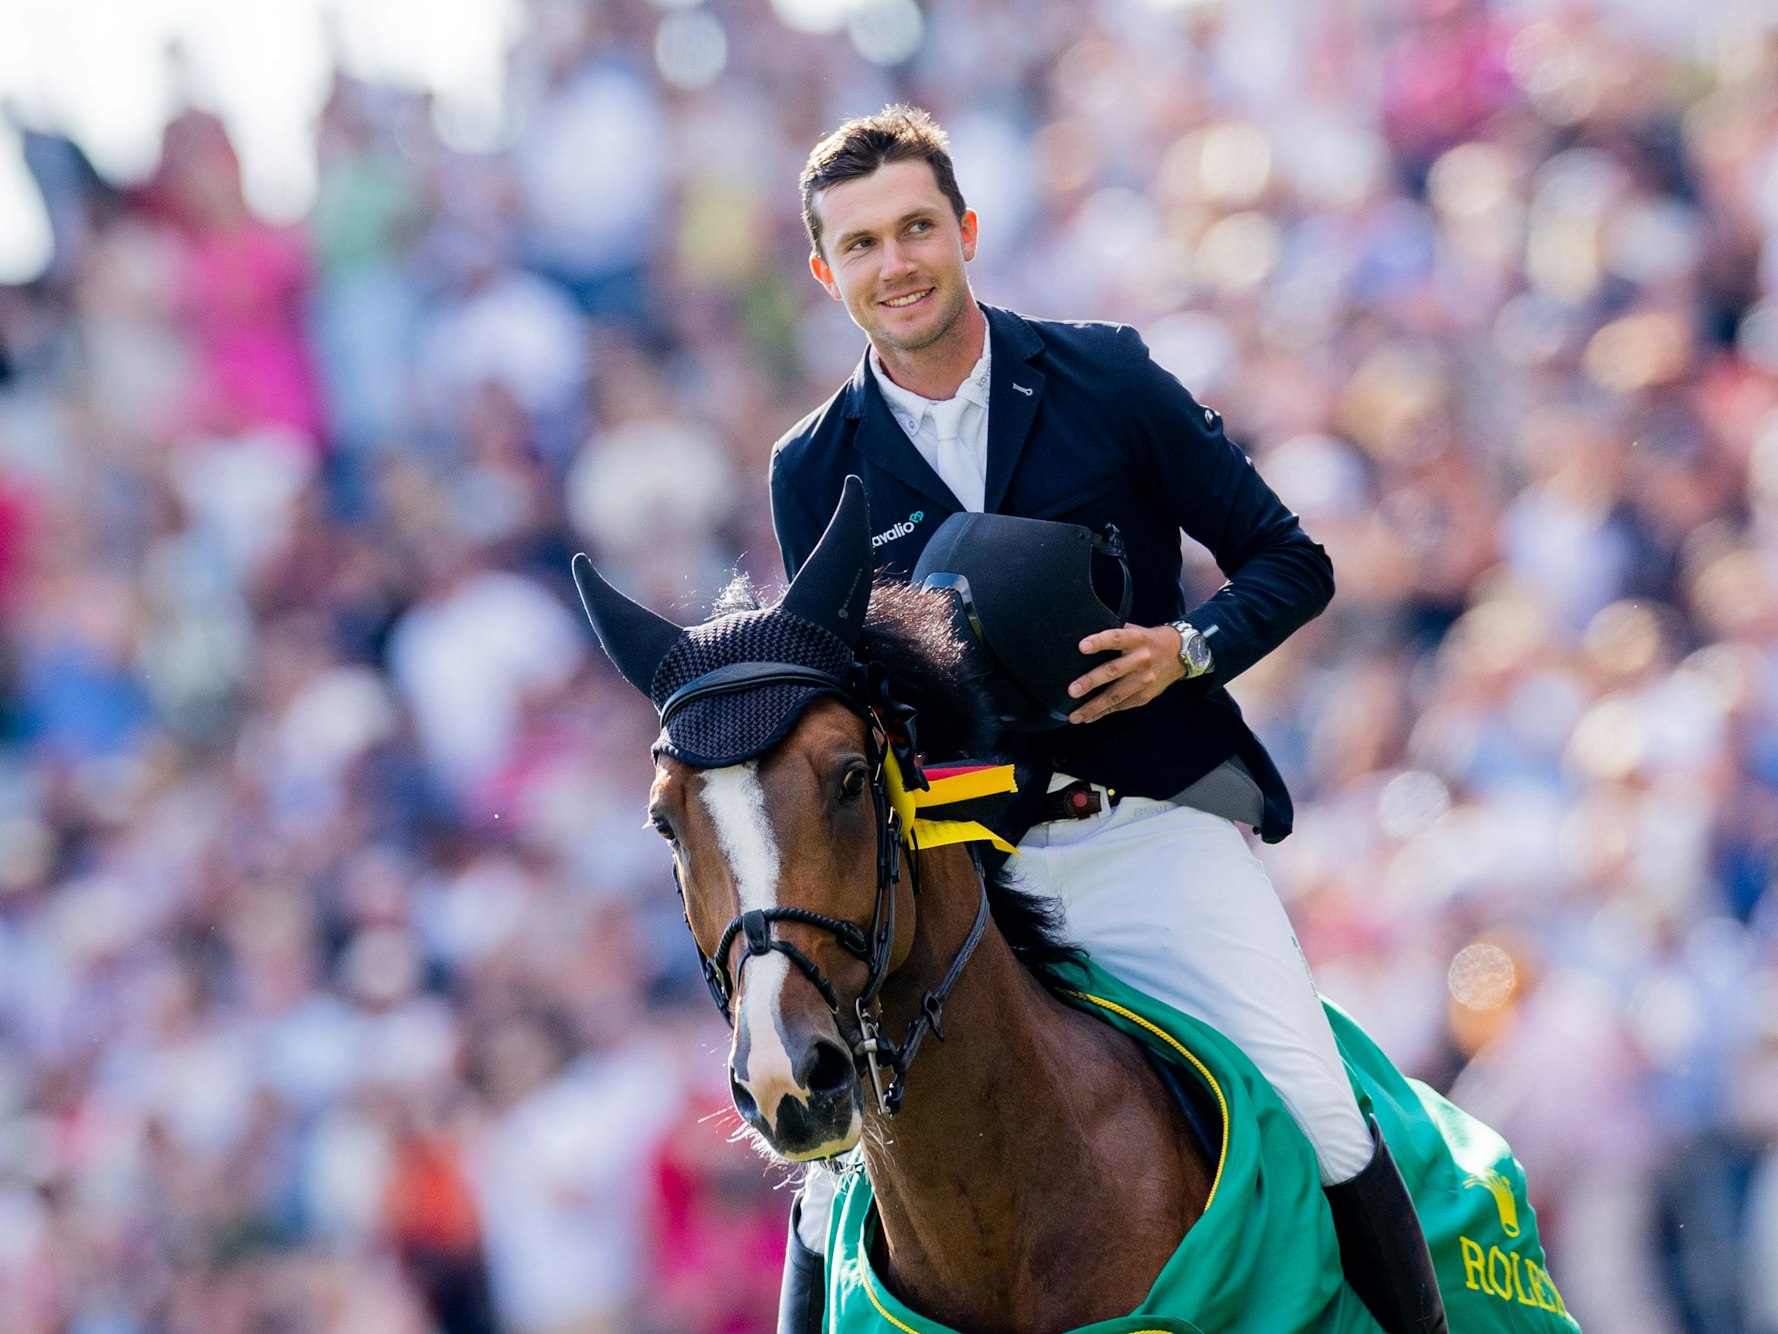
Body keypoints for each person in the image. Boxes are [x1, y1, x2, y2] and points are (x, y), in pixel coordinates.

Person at [767, 106, 1447, 1334]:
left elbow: (1288, 560)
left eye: (917, 226)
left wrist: (1183, 649)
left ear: (965, 230)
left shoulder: (1103, 376)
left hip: (1146, 825)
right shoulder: (809, 466)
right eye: (860, 244)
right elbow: (836, 707)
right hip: (959, 868)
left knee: (1316, 1099)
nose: (895, 261)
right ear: (826, 272)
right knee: (824, 1183)